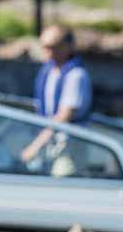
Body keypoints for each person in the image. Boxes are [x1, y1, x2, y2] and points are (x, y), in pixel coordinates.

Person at [20, 25, 92, 176]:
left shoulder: (75, 75)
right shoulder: (49, 72)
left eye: (53, 47)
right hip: (50, 142)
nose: (48, 52)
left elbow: (64, 115)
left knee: (63, 181)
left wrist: (35, 146)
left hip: (69, 144)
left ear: (68, 47)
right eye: (45, 47)